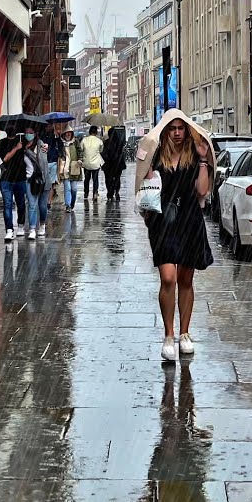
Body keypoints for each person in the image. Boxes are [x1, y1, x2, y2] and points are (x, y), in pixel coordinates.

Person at [134, 110, 214, 362]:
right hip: (163, 222)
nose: (177, 133)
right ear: (166, 131)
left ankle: (185, 333)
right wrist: (147, 176)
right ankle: (168, 335)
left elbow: (202, 190)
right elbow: (145, 189)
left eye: (181, 128)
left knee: (186, 280)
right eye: (173, 128)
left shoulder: (194, 155)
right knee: (168, 278)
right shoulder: (156, 155)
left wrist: (203, 161)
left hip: (190, 220)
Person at [0, 126, 38, 241]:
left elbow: (33, 143)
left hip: (20, 179)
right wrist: (16, 148)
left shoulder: (22, 140)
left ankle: (20, 226)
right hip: (6, 179)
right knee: (7, 205)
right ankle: (9, 230)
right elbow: (5, 158)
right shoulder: (2, 143)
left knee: (20, 204)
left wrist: (44, 145)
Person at [28, 130, 52, 236]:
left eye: (31, 132)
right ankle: (32, 228)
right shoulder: (23, 145)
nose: (28, 134)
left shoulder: (41, 145)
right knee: (32, 205)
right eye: (26, 132)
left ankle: (42, 224)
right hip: (30, 181)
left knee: (42, 206)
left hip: (43, 181)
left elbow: (43, 164)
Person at [80, 125, 105, 201]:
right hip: (96, 163)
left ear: (89, 131)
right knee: (95, 179)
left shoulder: (84, 140)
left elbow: (81, 149)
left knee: (86, 179)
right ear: (96, 132)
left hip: (86, 163)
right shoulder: (99, 141)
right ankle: (95, 193)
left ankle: (86, 193)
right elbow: (101, 150)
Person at [59, 128, 82, 212]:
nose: (68, 134)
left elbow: (80, 151)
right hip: (64, 168)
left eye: (69, 133)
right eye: (66, 133)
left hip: (74, 167)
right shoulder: (61, 143)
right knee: (67, 188)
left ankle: (72, 203)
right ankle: (68, 205)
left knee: (74, 189)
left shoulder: (75, 142)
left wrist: (80, 159)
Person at [101, 128, 127, 201]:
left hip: (109, 164)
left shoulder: (107, 142)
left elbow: (104, 153)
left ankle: (110, 193)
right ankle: (117, 192)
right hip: (118, 164)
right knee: (117, 179)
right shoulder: (120, 142)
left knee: (108, 179)